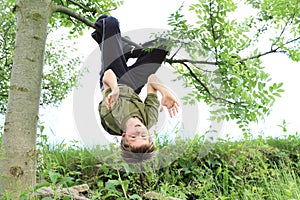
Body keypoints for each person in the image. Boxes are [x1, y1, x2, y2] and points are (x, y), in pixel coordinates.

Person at [91, 15, 179, 163]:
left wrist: (115, 90)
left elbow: (108, 75)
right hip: (133, 86)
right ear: (149, 136)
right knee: (164, 44)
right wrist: (165, 92)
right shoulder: (149, 120)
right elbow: (151, 81)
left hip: (114, 80)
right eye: (144, 136)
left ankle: (108, 40)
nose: (139, 131)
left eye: (134, 137)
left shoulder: (112, 120)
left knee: (110, 22)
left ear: (124, 136)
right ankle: (129, 52)